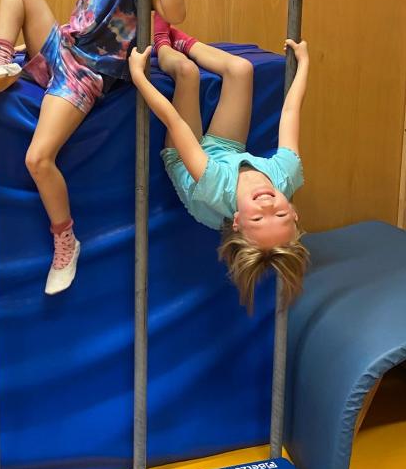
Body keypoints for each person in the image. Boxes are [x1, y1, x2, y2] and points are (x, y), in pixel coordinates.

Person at [0, 0, 185, 295]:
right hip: (63, 51)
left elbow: (175, 12)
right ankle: (0, 56)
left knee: (38, 159)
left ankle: (65, 240)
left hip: (86, 72)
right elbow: (77, 28)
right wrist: (23, 49)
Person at [129, 36, 310, 311]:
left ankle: (162, 40)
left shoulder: (216, 188)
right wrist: (304, 62)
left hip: (187, 161)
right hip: (226, 153)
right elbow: (290, 111)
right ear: (293, 212)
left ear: (236, 220)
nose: (268, 205)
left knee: (187, 73)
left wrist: (138, 77)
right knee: (241, 70)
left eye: (258, 218)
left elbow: (175, 122)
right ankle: (181, 39)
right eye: (281, 214)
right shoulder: (285, 175)